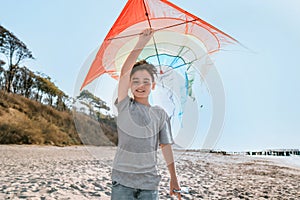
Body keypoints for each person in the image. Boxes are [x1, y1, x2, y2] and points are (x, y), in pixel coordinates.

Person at [111, 28, 181, 200]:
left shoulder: (160, 114)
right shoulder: (125, 105)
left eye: (146, 82)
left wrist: (174, 178)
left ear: (153, 85)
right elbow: (125, 72)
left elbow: (166, 146)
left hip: (149, 184)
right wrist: (141, 42)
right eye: (135, 81)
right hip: (122, 182)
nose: (140, 85)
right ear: (129, 84)